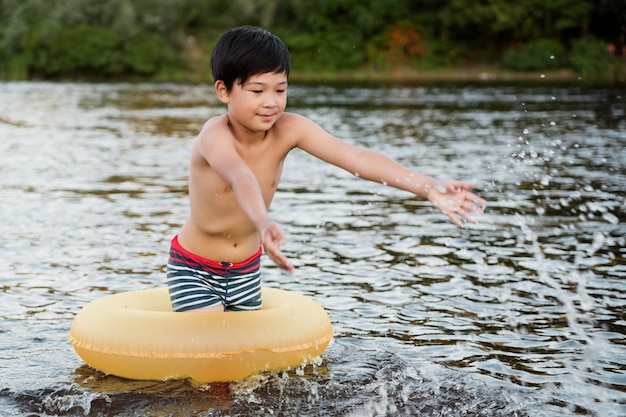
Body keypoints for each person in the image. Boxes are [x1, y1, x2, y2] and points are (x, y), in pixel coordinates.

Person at [166, 26, 486, 313]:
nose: (271, 102)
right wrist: (263, 223)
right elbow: (240, 176)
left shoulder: (290, 129)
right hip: (196, 268)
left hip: (247, 270)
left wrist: (427, 186)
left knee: (247, 372)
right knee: (213, 365)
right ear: (224, 91)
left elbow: (357, 158)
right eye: (257, 91)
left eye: (280, 90)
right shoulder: (215, 135)